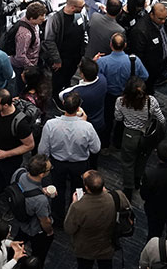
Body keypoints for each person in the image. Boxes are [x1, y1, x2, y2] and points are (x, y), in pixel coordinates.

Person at [39, 93, 101, 224]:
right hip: (80, 165)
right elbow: (96, 149)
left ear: (63, 105)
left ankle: (58, 218)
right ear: (79, 108)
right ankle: (75, 217)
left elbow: (42, 150)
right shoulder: (87, 127)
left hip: (58, 164)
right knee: (78, 191)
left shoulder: (50, 125)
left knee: (57, 191)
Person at [63, 170, 129, 269]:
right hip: (108, 244)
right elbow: (128, 210)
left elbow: (69, 228)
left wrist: (73, 203)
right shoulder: (117, 196)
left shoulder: (78, 207)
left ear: (86, 187)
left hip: (85, 248)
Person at [115, 77, 166, 199]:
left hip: (129, 135)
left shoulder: (120, 101)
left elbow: (118, 118)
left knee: (127, 162)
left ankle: (128, 188)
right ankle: (138, 180)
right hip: (146, 136)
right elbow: (162, 120)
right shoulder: (151, 101)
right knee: (142, 159)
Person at [0, 89, 36, 192]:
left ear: (5, 105)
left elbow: (29, 145)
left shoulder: (20, 124)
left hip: (10, 161)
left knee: (10, 182)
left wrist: (6, 154)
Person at [58, 58, 109, 166]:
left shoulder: (79, 92)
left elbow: (62, 95)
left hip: (84, 127)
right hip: (99, 121)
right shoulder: (103, 80)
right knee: (94, 151)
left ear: (82, 75)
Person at [11, 155, 55, 264]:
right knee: (39, 252)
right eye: (49, 169)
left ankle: (10, 257)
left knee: (19, 240)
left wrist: (41, 190)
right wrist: (49, 232)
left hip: (21, 218)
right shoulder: (40, 200)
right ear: (42, 174)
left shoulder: (19, 172)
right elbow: (44, 221)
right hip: (34, 229)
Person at [129, 3, 167, 93]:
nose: (163, 21)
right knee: (148, 88)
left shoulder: (165, 21)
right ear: (152, 15)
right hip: (149, 68)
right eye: (160, 19)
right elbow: (139, 55)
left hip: (162, 62)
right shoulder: (140, 30)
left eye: (165, 18)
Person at [10, 2, 47, 92]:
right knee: (21, 87)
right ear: (31, 18)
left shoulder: (33, 23)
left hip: (31, 62)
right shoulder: (25, 34)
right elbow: (20, 56)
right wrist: (32, 67)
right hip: (23, 67)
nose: (44, 20)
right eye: (41, 19)